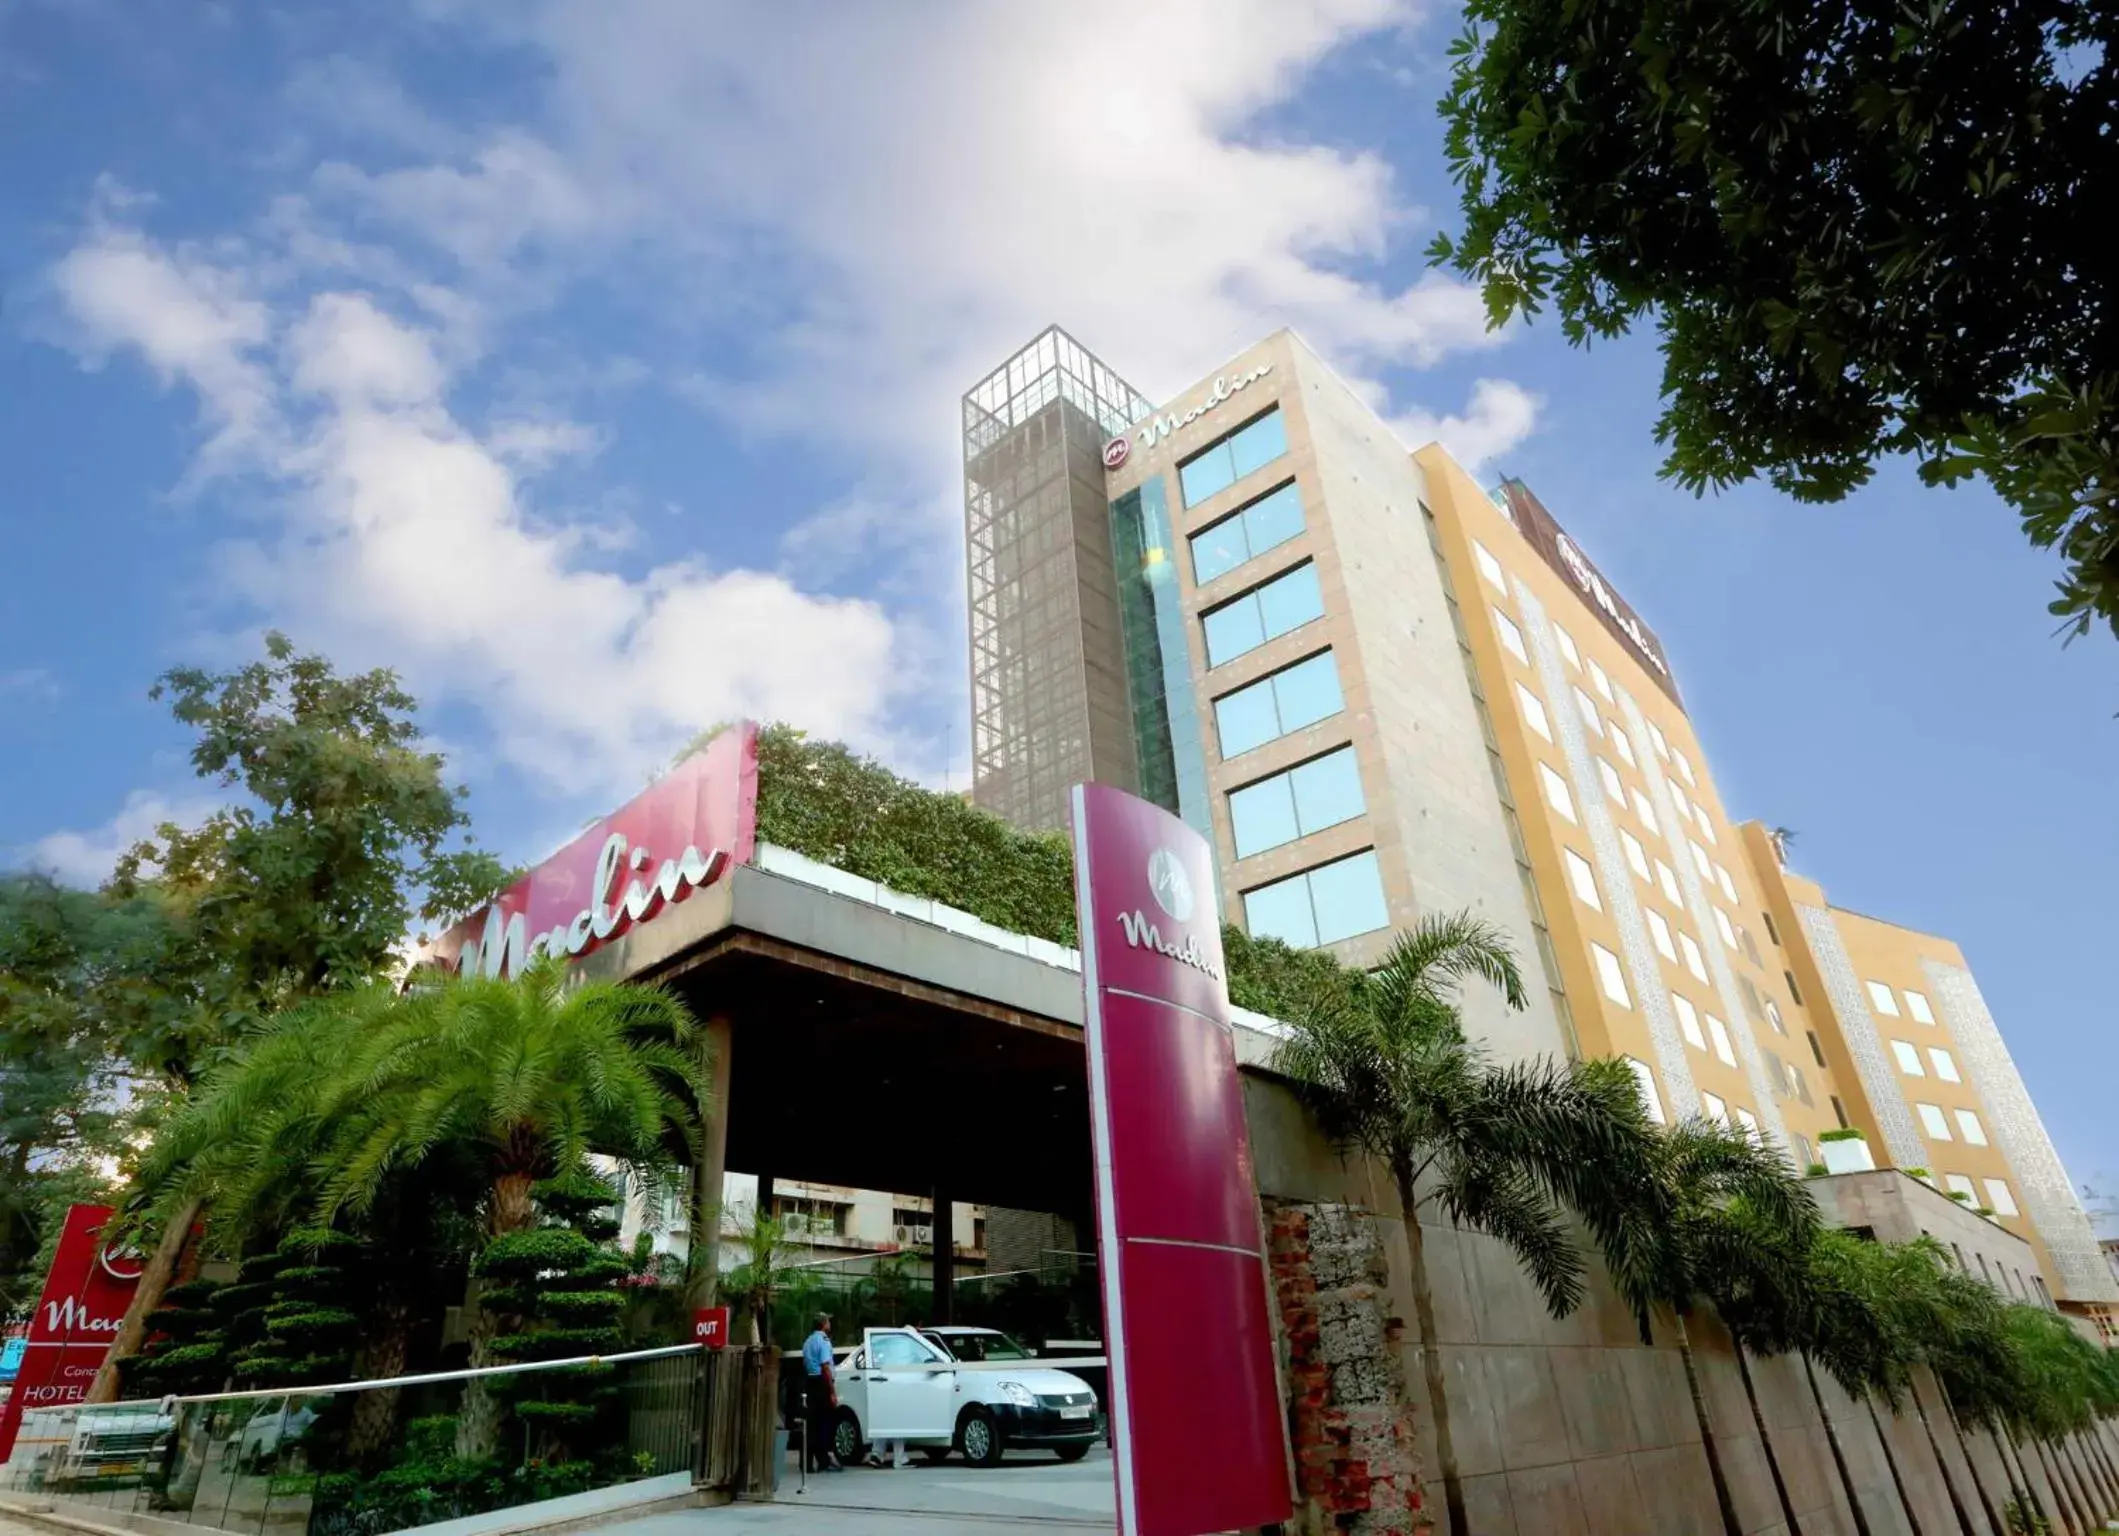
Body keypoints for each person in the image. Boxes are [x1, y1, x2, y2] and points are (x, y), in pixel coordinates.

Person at [802, 1313, 840, 1472]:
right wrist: (831, 1391)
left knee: (811, 1424)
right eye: (828, 1320)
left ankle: (807, 1463)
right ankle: (824, 1461)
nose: (830, 1323)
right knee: (824, 1423)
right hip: (821, 1382)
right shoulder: (823, 1340)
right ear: (824, 1324)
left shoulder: (808, 1341)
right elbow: (825, 1366)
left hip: (810, 1381)